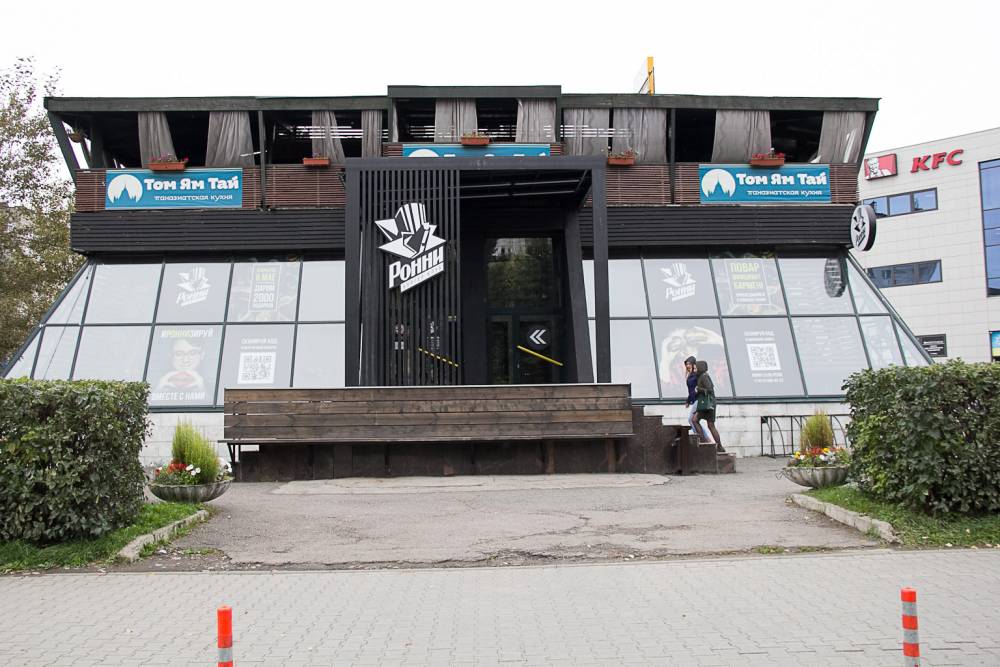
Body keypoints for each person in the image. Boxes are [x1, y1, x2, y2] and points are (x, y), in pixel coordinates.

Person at [695, 360, 724, 452]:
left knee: (704, 423)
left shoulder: (704, 377)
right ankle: (718, 446)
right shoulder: (702, 376)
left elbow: (710, 389)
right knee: (708, 424)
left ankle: (707, 443)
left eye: (696, 368)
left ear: (701, 368)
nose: (695, 370)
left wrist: (699, 389)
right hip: (706, 404)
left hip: (708, 404)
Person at [683, 356, 707, 442]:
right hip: (695, 400)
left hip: (699, 399)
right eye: (686, 364)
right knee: (694, 420)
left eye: (689, 364)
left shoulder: (696, 374)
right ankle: (704, 438)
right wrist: (688, 401)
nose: (687, 366)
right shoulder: (690, 375)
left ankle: (703, 438)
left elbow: (697, 388)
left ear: (693, 364)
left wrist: (697, 392)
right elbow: (691, 390)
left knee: (692, 420)